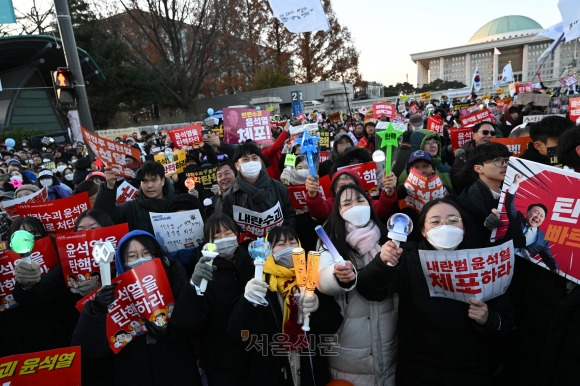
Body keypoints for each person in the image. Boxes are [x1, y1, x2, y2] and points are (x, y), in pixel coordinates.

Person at [367, 198, 512, 385]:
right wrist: (381, 263)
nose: (445, 226)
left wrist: (488, 319)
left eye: (453, 220)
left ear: (464, 228)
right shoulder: (409, 259)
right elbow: (370, 290)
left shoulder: (483, 262)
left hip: (470, 373)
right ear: (423, 231)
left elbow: (505, 328)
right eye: (435, 221)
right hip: (417, 373)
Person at [72, 230, 201, 386]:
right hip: (132, 374)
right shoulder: (110, 290)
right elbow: (89, 348)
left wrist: (172, 332)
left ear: (157, 255)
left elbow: (195, 322)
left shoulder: (176, 277)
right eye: (132, 256)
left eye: (146, 253)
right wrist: (96, 309)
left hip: (178, 371)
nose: (140, 260)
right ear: (121, 261)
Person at [230, 226, 342, 386]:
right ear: (269, 250)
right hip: (273, 374)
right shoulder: (258, 283)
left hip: (310, 372)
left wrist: (317, 307)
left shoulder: (312, 278)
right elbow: (238, 333)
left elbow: (333, 323)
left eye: (292, 241)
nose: (289, 247)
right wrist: (246, 301)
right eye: (281, 244)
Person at [316, 184, 398, 385]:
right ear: (338, 211)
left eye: (360, 200)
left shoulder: (389, 238)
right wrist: (337, 277)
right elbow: (322, 277)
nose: (355, 206)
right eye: (347, 203)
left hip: (389, 342)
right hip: (348, 347)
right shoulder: (330, 242)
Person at [170, 214, 254, 385]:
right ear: (207, 242)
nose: (223, 239)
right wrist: (194, 284)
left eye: (227, 233)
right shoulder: (203, 271)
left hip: (254, 352)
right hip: (222, 358)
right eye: (216, 237)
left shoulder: (252, 262)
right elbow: (185, 321)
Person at [219, 142, 296, 242]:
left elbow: (290, 216)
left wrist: (281, 237)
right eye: (245, 159)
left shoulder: (279, 187)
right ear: (237, 166)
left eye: (255, 158)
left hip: (277, 244)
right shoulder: (229, 196)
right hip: (247, 249)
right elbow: (228, 226)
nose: (251, 162)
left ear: (260, 162)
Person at [94, 161, 180, 233]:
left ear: (163, 181)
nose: (149, 186)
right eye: (144, 181)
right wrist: (109, 186)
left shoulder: (179, 205)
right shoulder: (131, 208)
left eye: (154, 180)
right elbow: (103, 217)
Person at [457, 143, 511, 247]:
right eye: (496, 160)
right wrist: (487, 226)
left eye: (506, 160)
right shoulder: (468, 201)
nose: (504, 164)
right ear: (478, 168)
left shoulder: (511, 192)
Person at [505, 174, 559, 273]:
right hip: (502, 259)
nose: (538, 217)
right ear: (528, 212)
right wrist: (515, 184)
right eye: (536, 212)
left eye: (541, 216)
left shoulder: (543, 238)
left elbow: (548, 258)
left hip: (523, 269)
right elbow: (509, 205)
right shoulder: (517, 219)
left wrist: (555, 268)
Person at [305, 168, 398, 223]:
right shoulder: (331, 204)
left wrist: (388, 192)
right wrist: (313, 194)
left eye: (351, 185)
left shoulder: (366, 201)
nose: (347, 189)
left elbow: (382, 211)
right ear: (335, 190)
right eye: (342, 186)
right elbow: (319, 213)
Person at [452, 122, 498, 194]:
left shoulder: (500, 154)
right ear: (474, 135)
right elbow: (457, 182)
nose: (489, 136)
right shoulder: (463, 155)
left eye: (492, 133)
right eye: (485, 132)